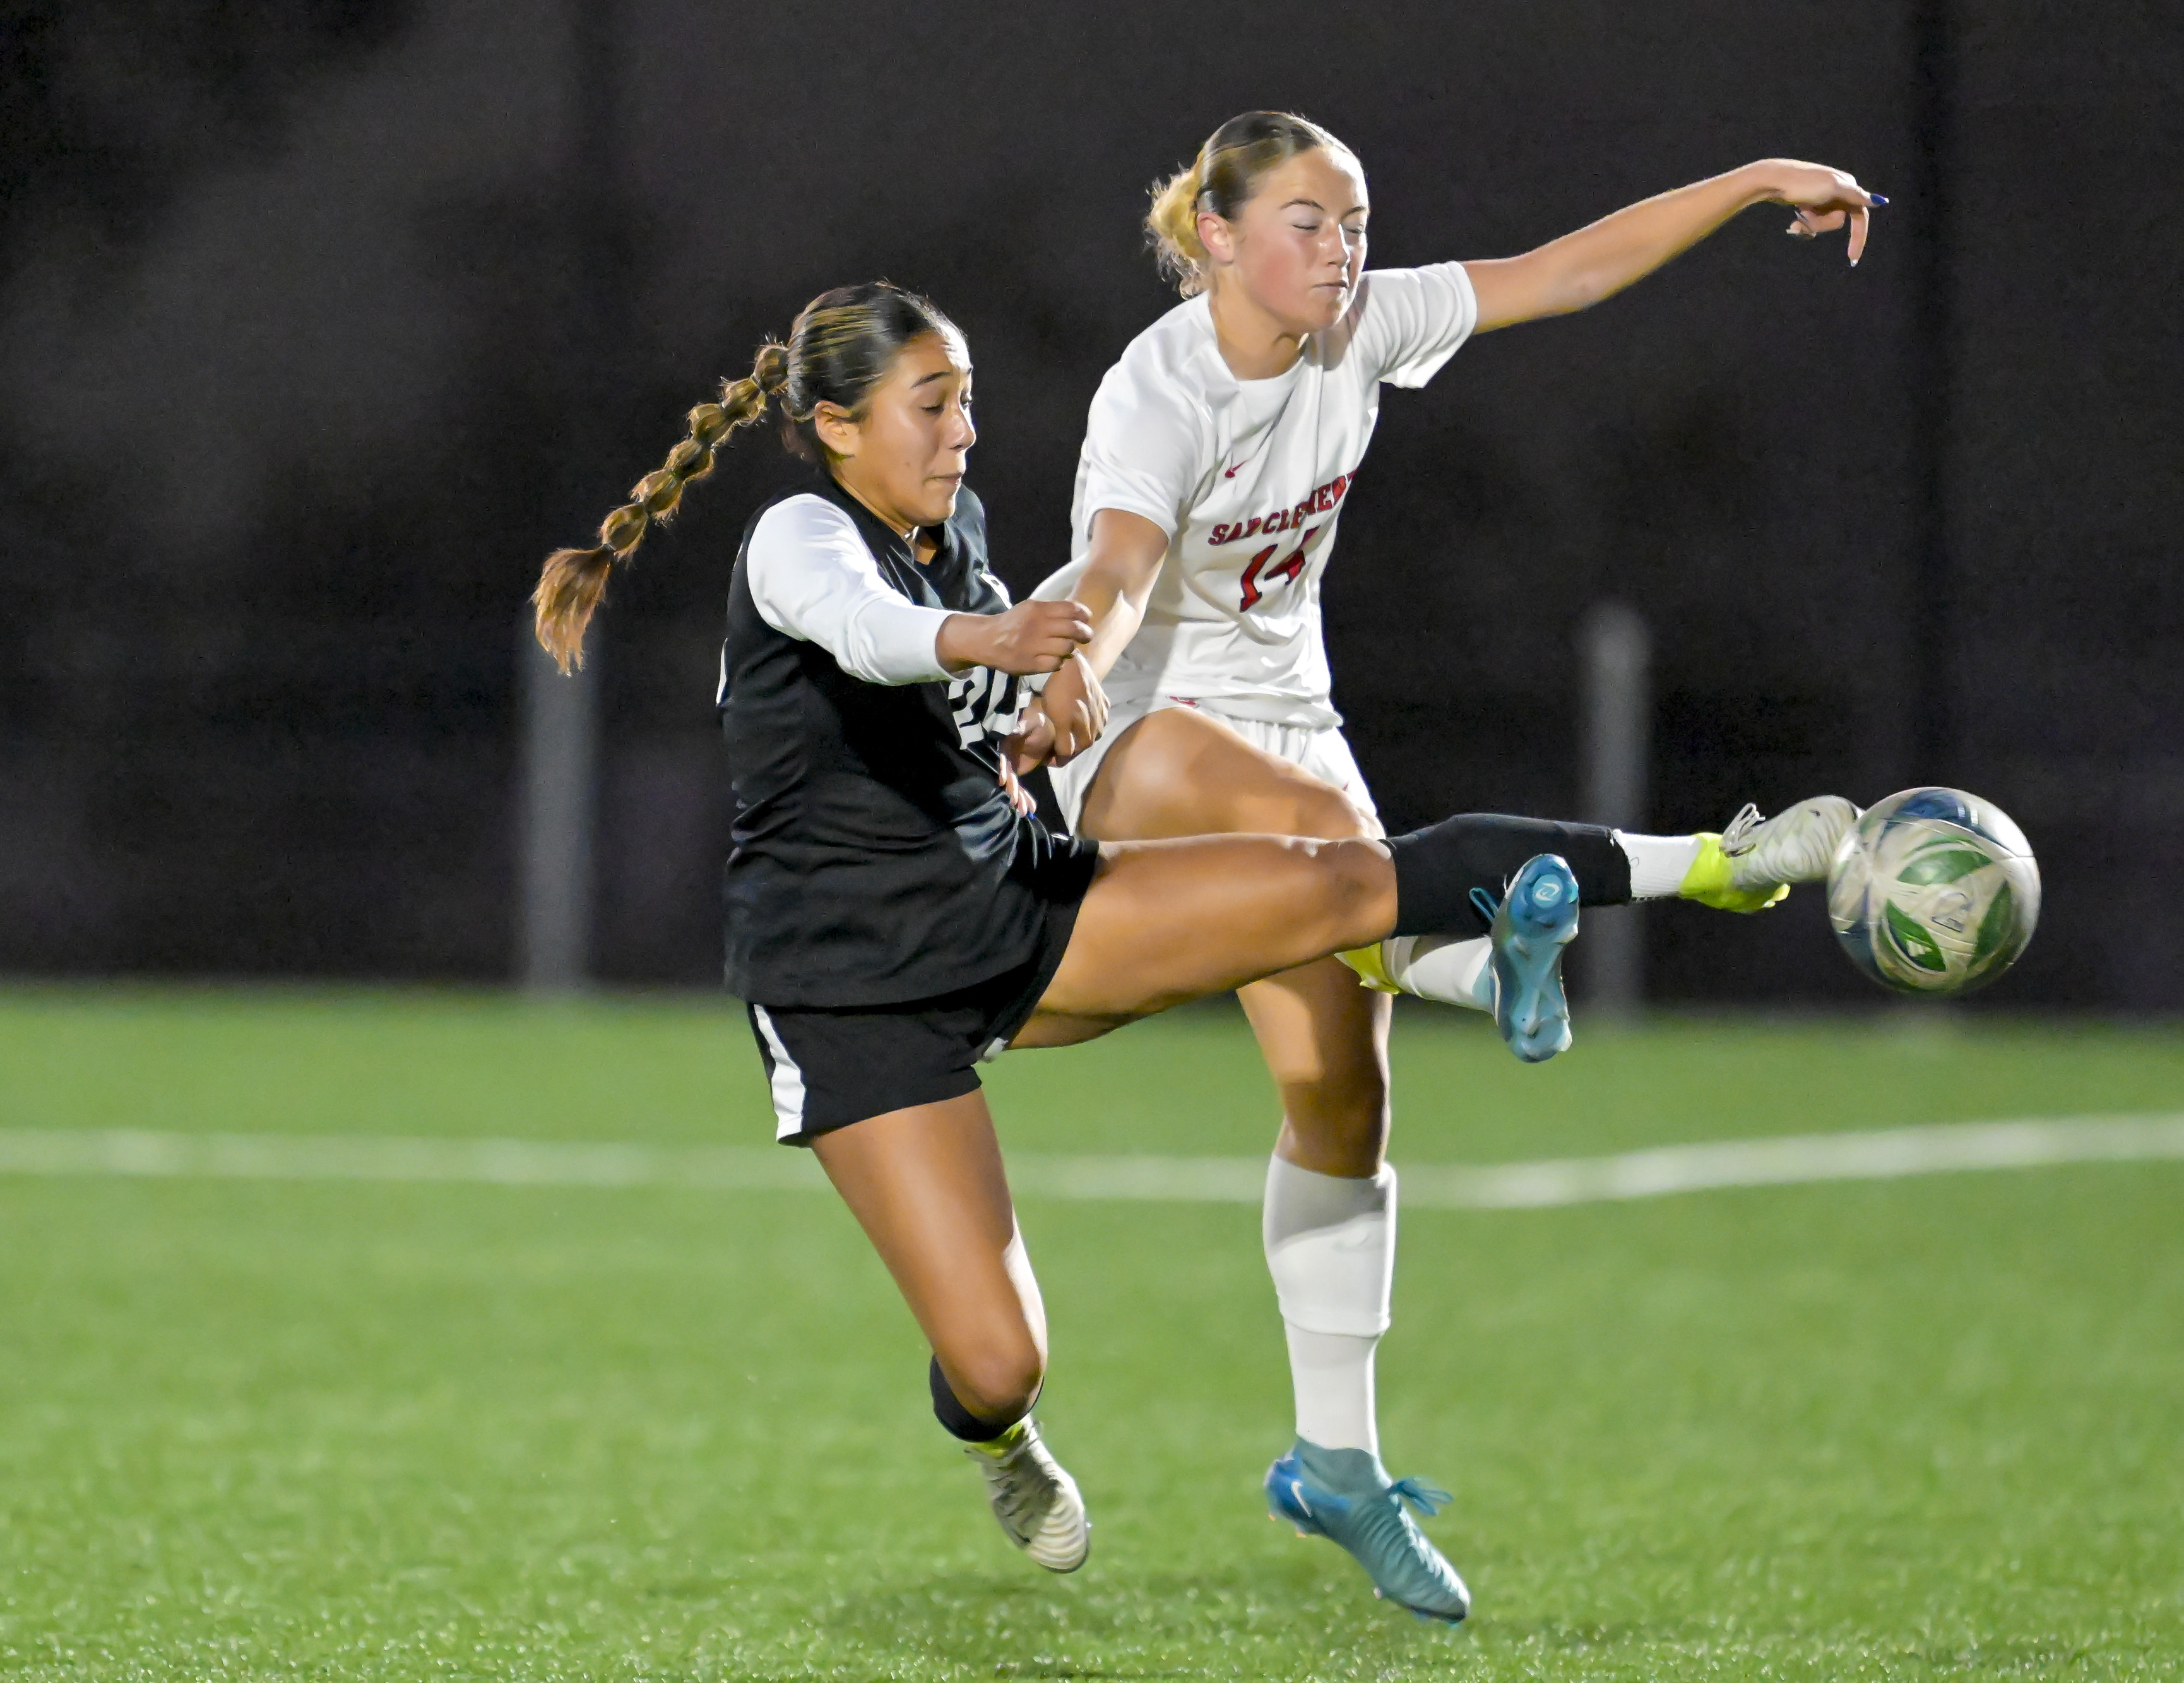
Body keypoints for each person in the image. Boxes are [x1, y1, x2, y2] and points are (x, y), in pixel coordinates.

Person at [530, 283, 1852, 1624]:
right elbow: (872, 636)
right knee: (998, 1362)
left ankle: (1715, 861)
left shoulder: (955, 529)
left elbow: (992, 677)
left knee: (1333, 877)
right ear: (835, 425)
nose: (964, 431)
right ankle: (1001, 1441)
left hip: (1012, 908)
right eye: (932, 405)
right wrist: (993, 639)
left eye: (968, 400)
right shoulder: (796, 534)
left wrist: (1040, 700)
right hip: (847, 986)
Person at [1025, 111, 1875, 1612]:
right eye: (1305, 221)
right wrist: (1072, 670)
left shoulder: (1363, 326)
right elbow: (1118, 569)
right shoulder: (1160, 384)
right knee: (1332, 866)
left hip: (1297, 728)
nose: (1339, 248)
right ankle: (1532, 936)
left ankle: (1335, 1465)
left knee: (1338, 1101)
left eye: (1353, 221)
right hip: (1136, 727)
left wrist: (1750, 180)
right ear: (1217, 236)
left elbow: (1564, 274)